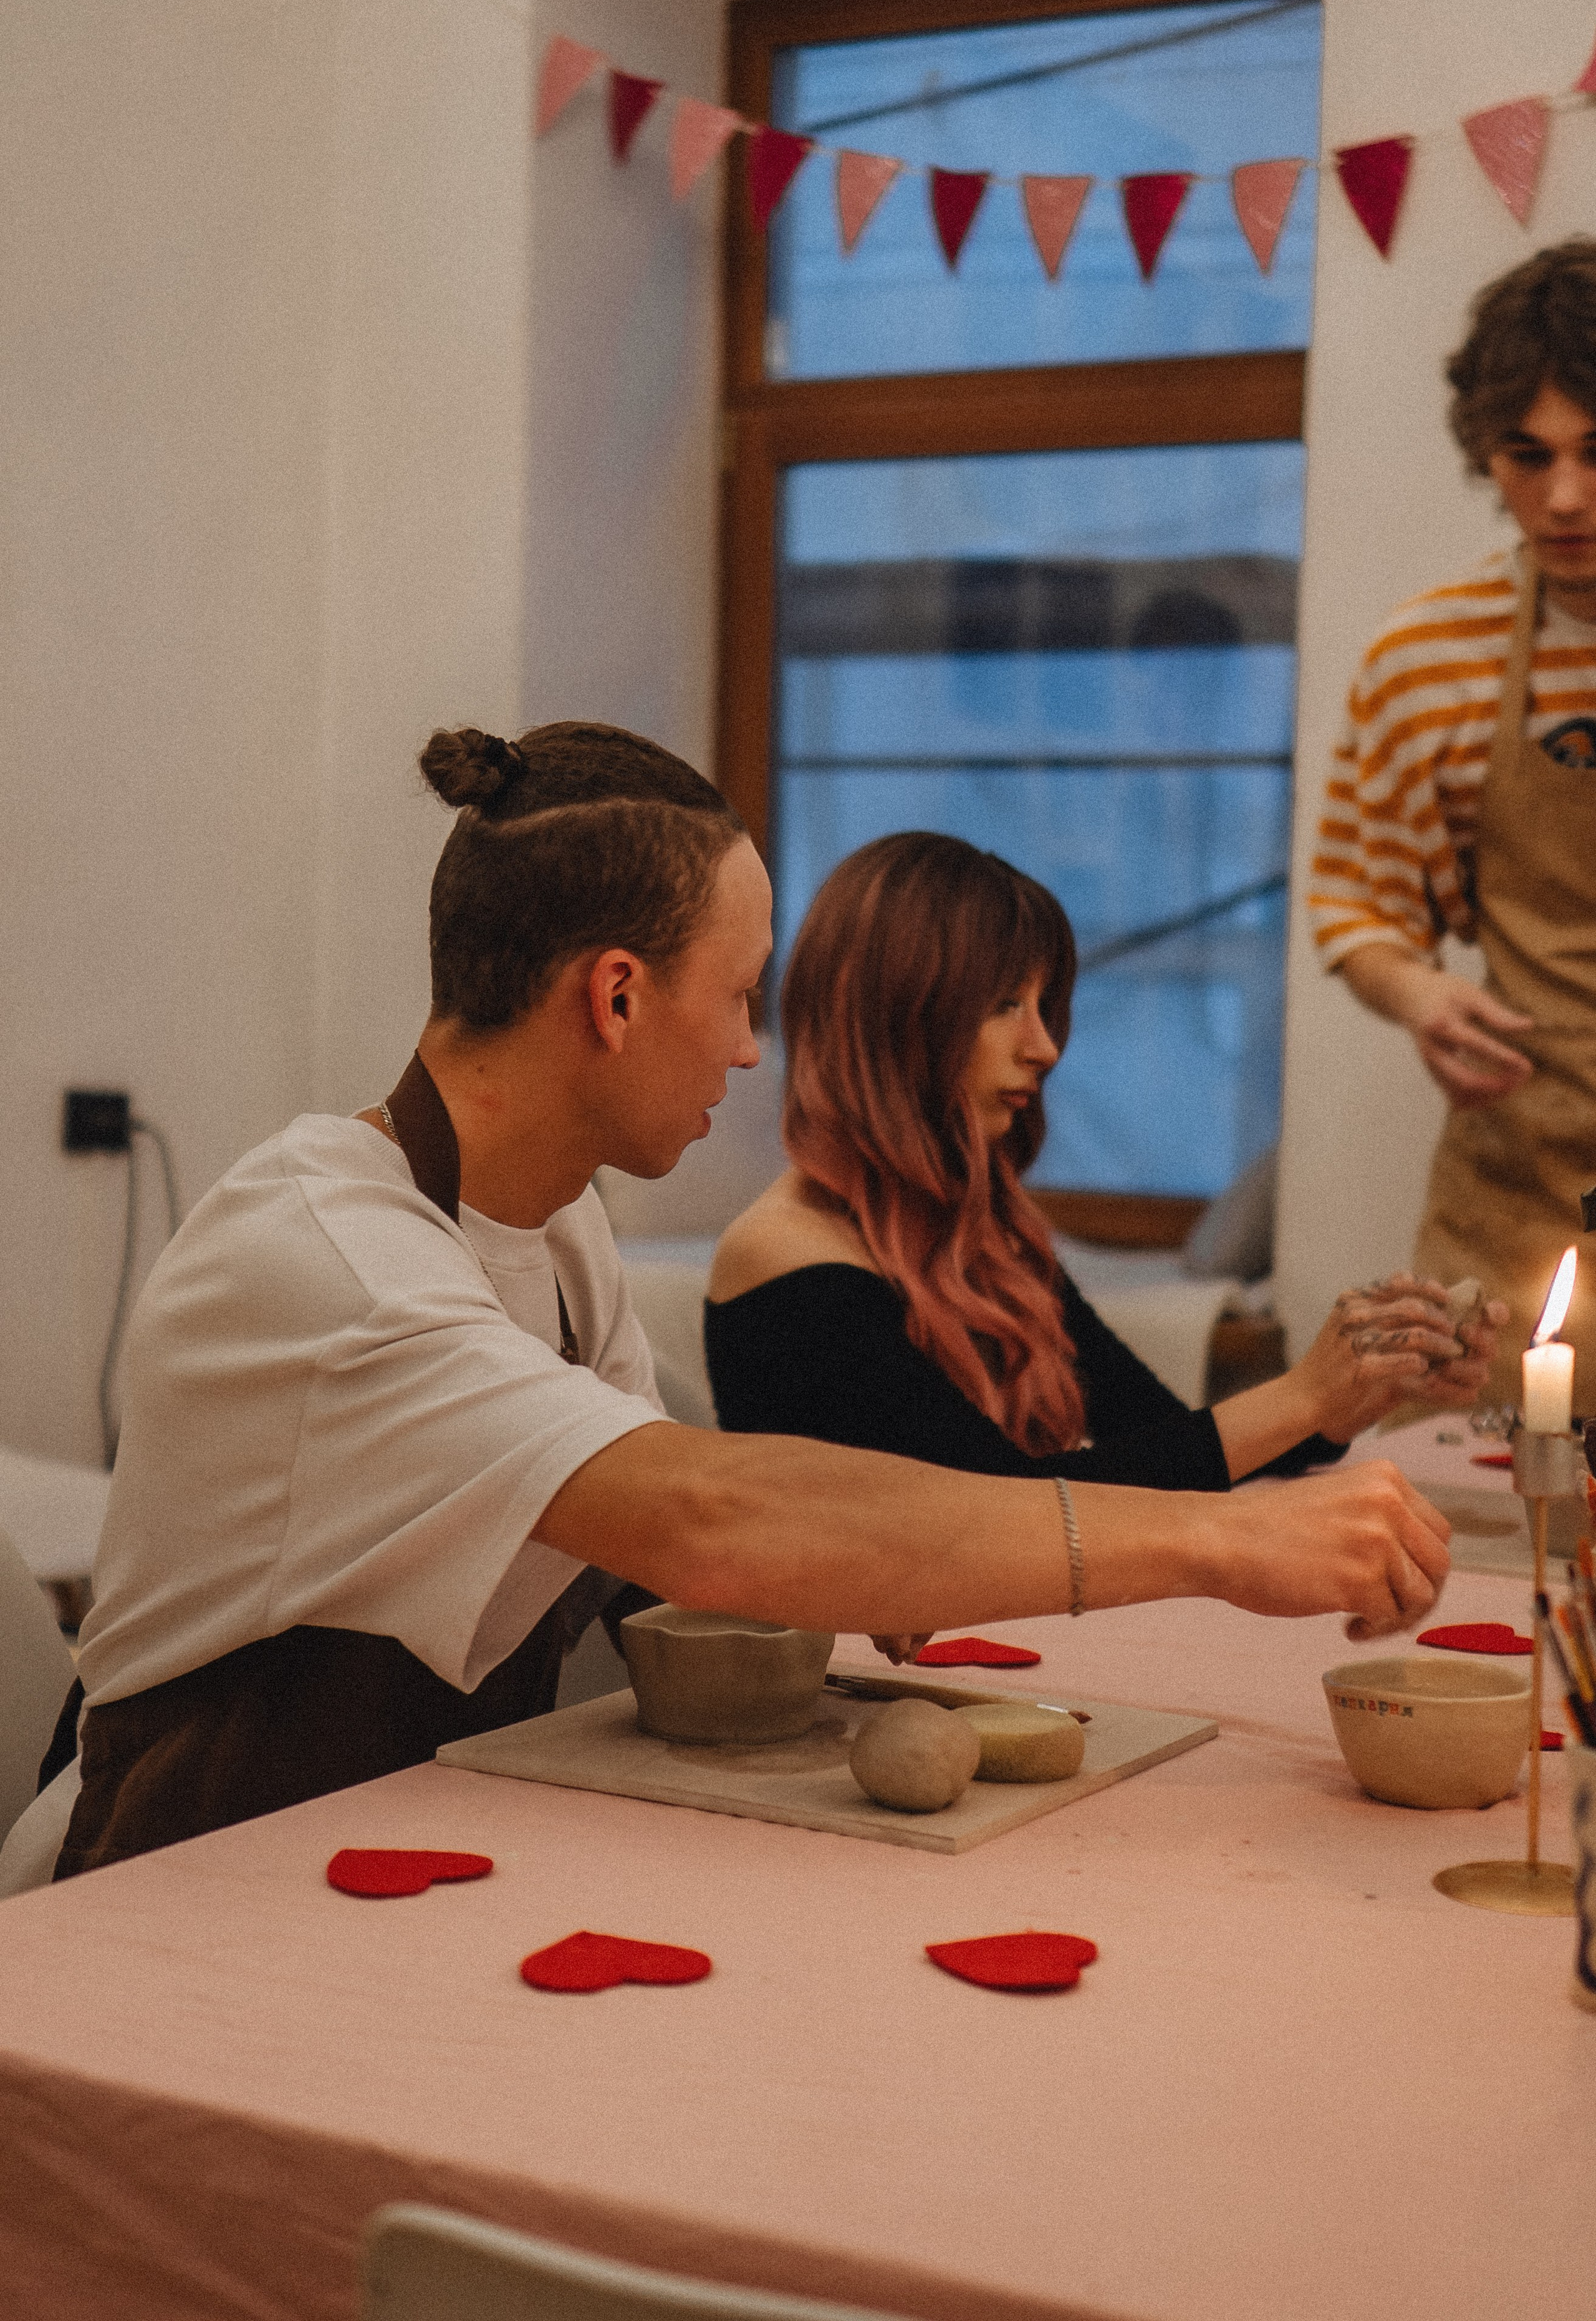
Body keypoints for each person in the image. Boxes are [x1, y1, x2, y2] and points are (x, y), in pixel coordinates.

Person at [54, 724, 1453, 1877]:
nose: (746, 1048)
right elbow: (710, 1520)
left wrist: (890, 1562)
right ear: (615, 998)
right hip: (172, 1880)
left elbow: (665, 1547)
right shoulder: (342, 1260)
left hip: (378, 1843)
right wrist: (1220, 1539)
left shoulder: (560, 1226)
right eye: (735, 997)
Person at [706, 834, 1499, 1489]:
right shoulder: (783, 1253)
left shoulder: (982, 1234)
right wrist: (1300, 1397)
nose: (1044, 1047)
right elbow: (1000, 1512)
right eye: (1004, 1005)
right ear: (897, 1019)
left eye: (1043, 1006)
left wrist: (1355, 1392)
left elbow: (1156, 1439)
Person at [1307, 239, 1596, 1410]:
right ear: (1487, 454)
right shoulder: (1428, 658)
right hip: (1516, 1211)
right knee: (1487, 1505)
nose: (1564, 498)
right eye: (1529, 457)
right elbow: (1356, 900)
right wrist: (1418, 994)